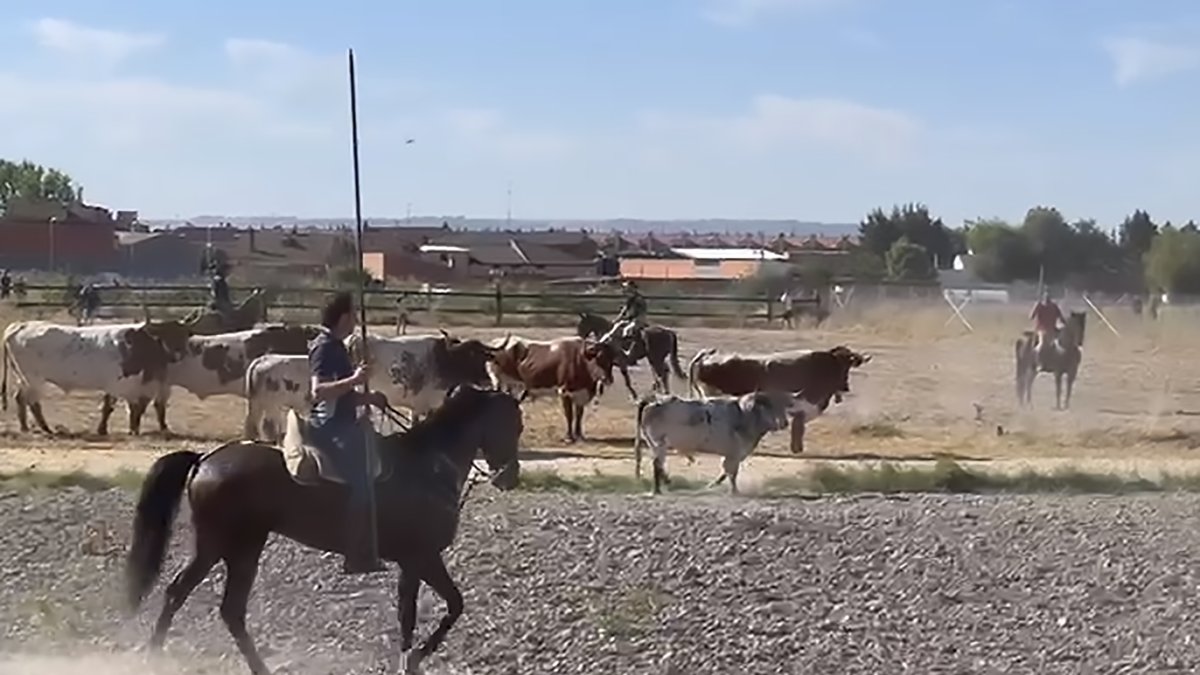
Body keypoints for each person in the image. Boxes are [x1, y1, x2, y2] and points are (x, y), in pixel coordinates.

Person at [308, 292, 389, 575]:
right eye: (354, 314)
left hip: (341, 421)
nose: (356, 320)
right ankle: (355, 555)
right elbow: (318, 392)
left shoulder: (337, 347)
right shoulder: (325, 348)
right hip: (329, 428)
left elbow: (341, 397)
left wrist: (369, 398)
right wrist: (355, 380)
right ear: (343, 318)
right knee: (362, 484)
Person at [1030, 290, 1065, 359]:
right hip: (1044, 330)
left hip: (1046, 330)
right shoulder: (1050, 306)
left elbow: (1031, 317)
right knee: (1043, 344)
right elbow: (1061, 319)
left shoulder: (1043, 306)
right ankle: (1036, 357)